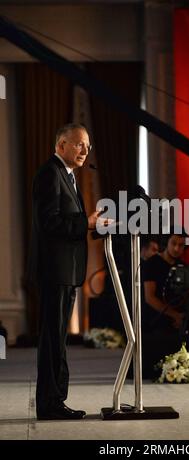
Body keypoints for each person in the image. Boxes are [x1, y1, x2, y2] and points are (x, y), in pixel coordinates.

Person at [29, 123, 101, 420]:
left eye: (87, 146)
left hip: (65, 271)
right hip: (54, 271)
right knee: (52, 340)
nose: (85, 150)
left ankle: (55, 401)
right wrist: (86, 223)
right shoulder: (50, 174)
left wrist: (93, 224)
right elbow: (50, 223)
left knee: (58, 338)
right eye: (79, 144)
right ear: (61, 146)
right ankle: (50, 404)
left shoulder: (66, 175)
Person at [142, 229, 187, 334]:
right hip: (155, 324)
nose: (176, 248)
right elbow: (149, 297)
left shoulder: (183, 266)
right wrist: (175, 315)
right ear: (167, 242)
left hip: (176, 324)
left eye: (181, 245)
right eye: (174, 243)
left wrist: (181, 317)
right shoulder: (152, 263)